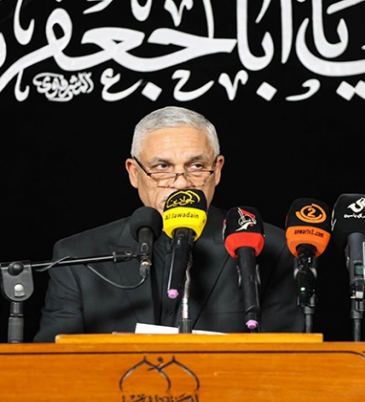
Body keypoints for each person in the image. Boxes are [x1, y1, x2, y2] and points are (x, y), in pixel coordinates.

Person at [33, 106, 304, 342]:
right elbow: (52, 364)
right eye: (162, 167)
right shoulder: (78, 256)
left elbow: (289, 363)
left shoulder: (271, 250)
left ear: (218, 169)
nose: (181, 183)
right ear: (134, 173)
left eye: (196, 166)